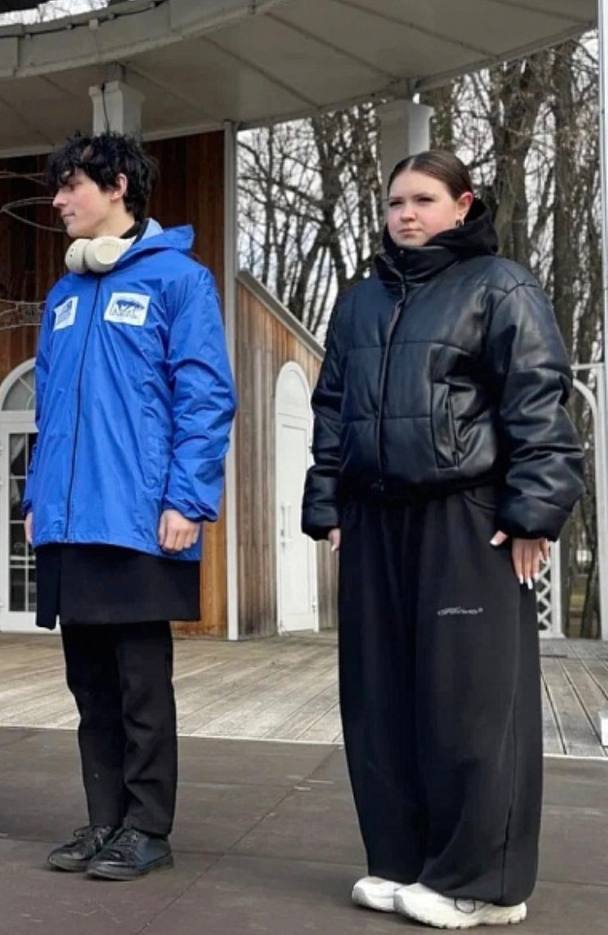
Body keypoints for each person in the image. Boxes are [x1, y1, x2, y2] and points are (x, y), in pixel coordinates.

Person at [302, 150, 584, 929]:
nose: (406, 214)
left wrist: (534, 515)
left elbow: (537, 399)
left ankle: (481, 880)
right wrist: (327, 502)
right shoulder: (359, 302)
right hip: (374, 519)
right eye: (396, 201)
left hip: (467, 517)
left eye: (424, 199)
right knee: (379, 699)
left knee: (470, 703)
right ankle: (402, 861)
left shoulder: (501, 286)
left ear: (463, 205)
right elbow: (333, 407)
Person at [23, 132, 236, 881]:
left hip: (142, 520)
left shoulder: (180, 280)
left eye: (70, 186)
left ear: (117, 186)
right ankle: (104, 820)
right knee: (90, 686)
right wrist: (35, 496)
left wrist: (188, 498)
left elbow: (205, 397)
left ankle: (147, 827)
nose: (58, 201)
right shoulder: (64, 293)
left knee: (141, 684)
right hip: (69, 522)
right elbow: (49, 410)